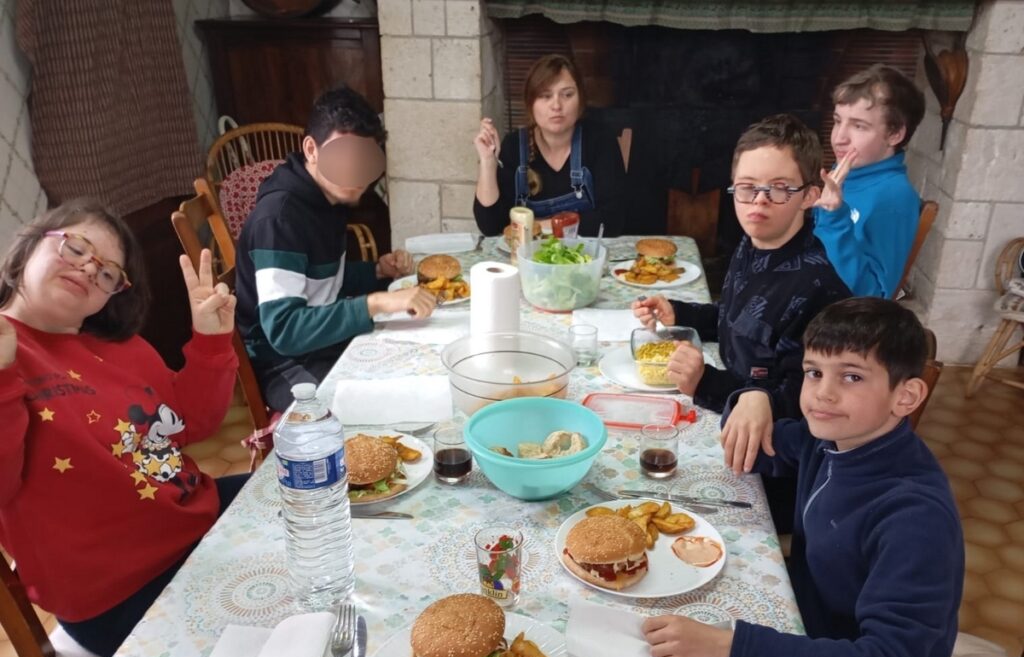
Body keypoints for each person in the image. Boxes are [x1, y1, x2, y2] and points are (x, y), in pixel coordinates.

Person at [644, 298, 964, 657]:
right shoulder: (833, 440)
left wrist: (731, 648)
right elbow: (759, 443)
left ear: (906, 396)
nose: (822, 395)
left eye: (851, 377)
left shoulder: (915, 518)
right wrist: (751, 398)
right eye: (814, 372)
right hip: (805, 636)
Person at [0, 199, 247, 657]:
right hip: (119, 592)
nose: (89, 269)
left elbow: (191, 423)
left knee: (318, 492)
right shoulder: (8, 352)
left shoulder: (120, 347)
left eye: (108, 273)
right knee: (281, 620)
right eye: (76, 248)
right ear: (28, 247)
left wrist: (211, 340)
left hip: (196, 521)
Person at [632, 114, 851, 419]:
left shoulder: (818, 289)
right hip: (731, 392)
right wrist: (680, 314)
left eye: (779, 188)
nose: (759, 201)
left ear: (809, 196)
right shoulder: (752, 244)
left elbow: (798, 403)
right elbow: (738, 320)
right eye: (747, 187)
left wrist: (706, 382)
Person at [235, 84, 436, 413]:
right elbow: (284, 330)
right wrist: (376, 303)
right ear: (312, 149)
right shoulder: (279, 219)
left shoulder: (328, 200)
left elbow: (323, 283)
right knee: (364, 410)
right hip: (282, 361)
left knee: (417, 366)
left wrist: (376, 271)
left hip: (322, 344)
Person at [472, 54, 626, 238]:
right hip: (529, 254)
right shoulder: (514, 146)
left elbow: (613, 221)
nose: (556, 105)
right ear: (530, 103)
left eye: (567, 95)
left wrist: (541, 226)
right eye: (545, 96)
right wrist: (488, 162)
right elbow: (490, 227)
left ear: (580, 100)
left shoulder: (599, 140)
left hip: (584, 254)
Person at [813, 65, 926, 298]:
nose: (839, 138)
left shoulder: (893, 197)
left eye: (858, 126)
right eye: (837, 121)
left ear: (894, 134)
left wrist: (834, 218)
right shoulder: (847, 173)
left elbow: (873, 296)